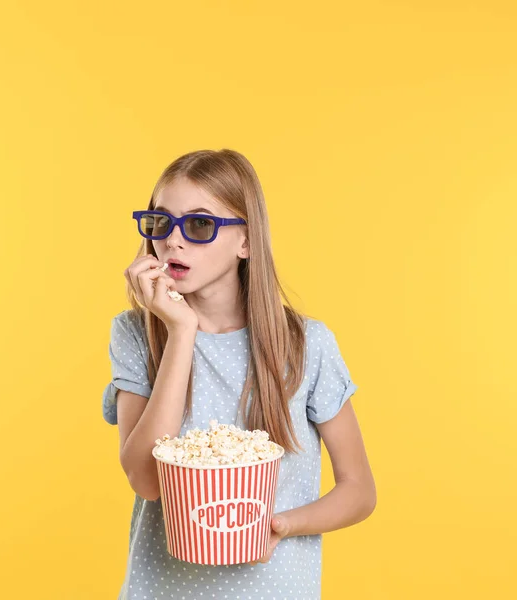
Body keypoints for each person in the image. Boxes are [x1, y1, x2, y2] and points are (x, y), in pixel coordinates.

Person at [102, 148, 376, 599]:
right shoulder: (136, 333)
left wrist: (282, 525)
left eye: (199, 225)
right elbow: (147, 481)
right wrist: (181, 331)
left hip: (273, 588)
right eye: (160, 222)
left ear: (245, 242)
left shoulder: (305, 345)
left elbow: (359, 490)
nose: (173, 241)